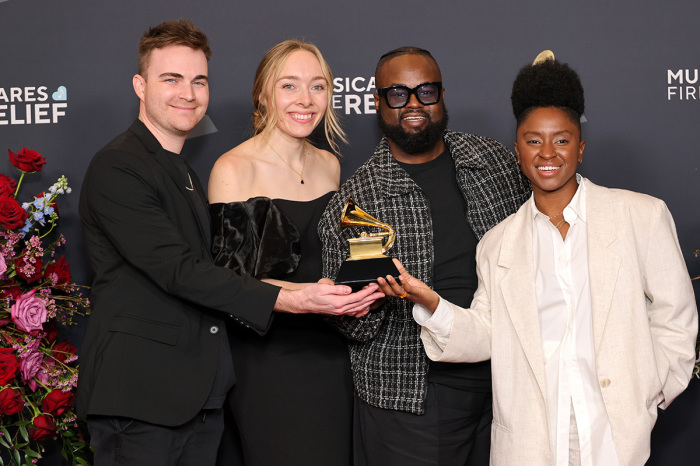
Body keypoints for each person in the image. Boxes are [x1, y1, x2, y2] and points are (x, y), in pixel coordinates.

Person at [77, 21, 381, 466]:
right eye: (171, 79)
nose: (188, 93)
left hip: (200, 394)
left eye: (199, 81)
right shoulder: (119, 167)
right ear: (140, 85)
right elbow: (181, 271)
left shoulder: (180, 171)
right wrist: (300, 300)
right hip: (142, 395)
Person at [377, 57, 698, 465]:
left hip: (616, 434)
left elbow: (677, 319)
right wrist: (431, 303)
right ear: (517, 151)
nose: (548, 153)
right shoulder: (497, 244)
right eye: (533, 141)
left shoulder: (641, 216)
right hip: (530, 441)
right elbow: (486, 333)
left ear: (580, 148)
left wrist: (650, 394)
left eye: (561, 140)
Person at [319, 46, 531, 465]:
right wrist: (358, 305)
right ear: (378, 103)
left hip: (509, 385)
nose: (413, 104)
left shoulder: (492, 162)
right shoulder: (358, 202)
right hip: (413, 396)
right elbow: (355, 330)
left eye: (425, 91)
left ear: (442, 95)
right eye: (397, 94)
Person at [208, 40, 354, 466]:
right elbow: (232, 283)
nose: (305, 101)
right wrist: (304, 297)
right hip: (269, 360)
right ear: (263, 93)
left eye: (318, 86)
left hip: (334, 354)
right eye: (289, 86)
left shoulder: (331, 164)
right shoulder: (234, 168)